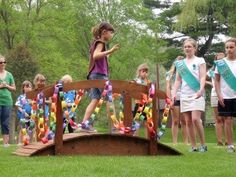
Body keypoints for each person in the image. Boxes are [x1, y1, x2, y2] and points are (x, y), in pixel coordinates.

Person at [81, 22, 119, 132]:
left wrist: (108, 53)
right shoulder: (101, 43)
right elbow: (96, 56)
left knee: (95, 99)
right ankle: (114, 126)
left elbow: (100, 56)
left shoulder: (95, 43)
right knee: (109, 99)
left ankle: (85, 124)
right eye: (111, 33)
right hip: (99, 75)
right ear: (104, 32)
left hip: (93, 75)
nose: (112, 35)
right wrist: (110, 50)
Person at [172, 38, 207, 152]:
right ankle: (193, 146)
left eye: (189, 46)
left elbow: (202, 76)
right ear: (183, 49)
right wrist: (173, 93)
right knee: (187, 122)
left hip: (197, 93)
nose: (187, 48)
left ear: (194, 48)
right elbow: (177, 80)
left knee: (196, 119)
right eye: (185, 47)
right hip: (184, 95)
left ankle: (203, 144)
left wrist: (201, 89)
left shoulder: (200, 60)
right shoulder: (180, 64)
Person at [214, 38, 236, 152]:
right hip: (225, 96)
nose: (229, 50)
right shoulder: (220, 64)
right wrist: (219, 95)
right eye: (227, 47)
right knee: (227, 120)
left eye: (231, 47)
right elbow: (216, 80)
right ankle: (230, 145)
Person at [206, 52, 227, 146]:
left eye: (222, 59)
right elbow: (202, 78)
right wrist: (211, 84)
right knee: (218, 119)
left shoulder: (228, 69)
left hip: (226, 95)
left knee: (226, 118)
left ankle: (227, 140)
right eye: (218, 59)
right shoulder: (211, 71)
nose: (219, 61)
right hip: (214, 95)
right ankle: (219, 141)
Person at [166, 56, 188, 145]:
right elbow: (168, 87)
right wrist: (169, 100)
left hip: (184, 97)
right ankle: (174, 142)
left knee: (184, 121)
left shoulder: (186, 74)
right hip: (173, 97)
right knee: (175, 121)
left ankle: (186, 142)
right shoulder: (169, 74)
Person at [0, 55, 16, 147]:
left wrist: (6, 86)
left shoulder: (9, 75)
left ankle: (5, 143)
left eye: (4, 62)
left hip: (7, 102)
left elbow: (14, 88)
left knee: (5, 122)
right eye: (0, 62)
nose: (2, 64)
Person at [132, 63, 151, 137]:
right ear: (139, 72)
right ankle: (135, 137)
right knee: (137, 122)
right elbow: (131, 88)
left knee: (147, 122)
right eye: (143, 71)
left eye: (146, 72)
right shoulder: (136, 81)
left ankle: (148, 138)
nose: (145, 73)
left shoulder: (148, 82)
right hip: (139, 104)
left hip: (146, 105)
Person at [15, 80, 33, 145]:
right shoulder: (21, 97)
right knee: (23, 128)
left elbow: (35, 105)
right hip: (23, 115)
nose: (28, 88)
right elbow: (18, 106)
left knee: (30, 128)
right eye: (26, 87)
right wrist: (23, 112)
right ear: (23, 88)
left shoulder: (33, 97)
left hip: (31, 116)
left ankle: (29, 142)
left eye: (29, 87)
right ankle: (19, 142)